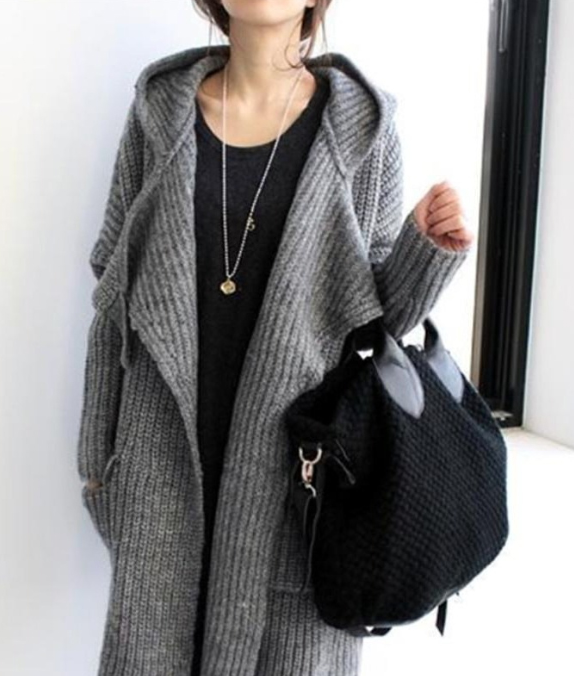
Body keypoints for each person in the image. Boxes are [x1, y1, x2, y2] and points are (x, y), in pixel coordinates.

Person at [77, 1, 474, 675]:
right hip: (160, 460)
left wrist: (426, 253)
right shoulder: (158, 111)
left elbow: (376, 327)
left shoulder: (363, 128)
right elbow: (113, 294)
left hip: (297, 480)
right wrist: (97, 459)